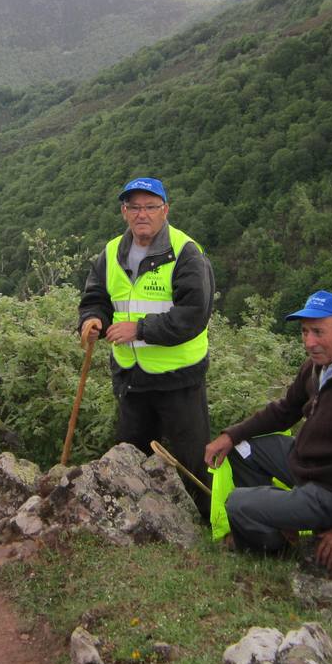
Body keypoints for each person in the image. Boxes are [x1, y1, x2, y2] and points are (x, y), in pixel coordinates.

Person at [203, 290, 332, 570]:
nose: (309, 342)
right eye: (305, 331)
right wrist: (231, 434)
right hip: (309, 463)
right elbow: (285, 410)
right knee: (241, 448)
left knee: (236, 503)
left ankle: (273, 547)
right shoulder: (320, 365)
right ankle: (276, 527)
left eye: (318, 332)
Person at [78, 177, 215, 519]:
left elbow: (193, 315)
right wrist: (92, 319)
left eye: (150, 206)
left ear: (165, 210)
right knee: (130, 454)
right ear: (124, 212)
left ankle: (211, 523)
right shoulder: (111, 252)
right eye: (134, 206)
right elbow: (96, 296)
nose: (142, 214)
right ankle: (129, 520)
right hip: (132, 378)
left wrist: (139, 329)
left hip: (179, 379)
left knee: (193, 459)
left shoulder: (186, 253)